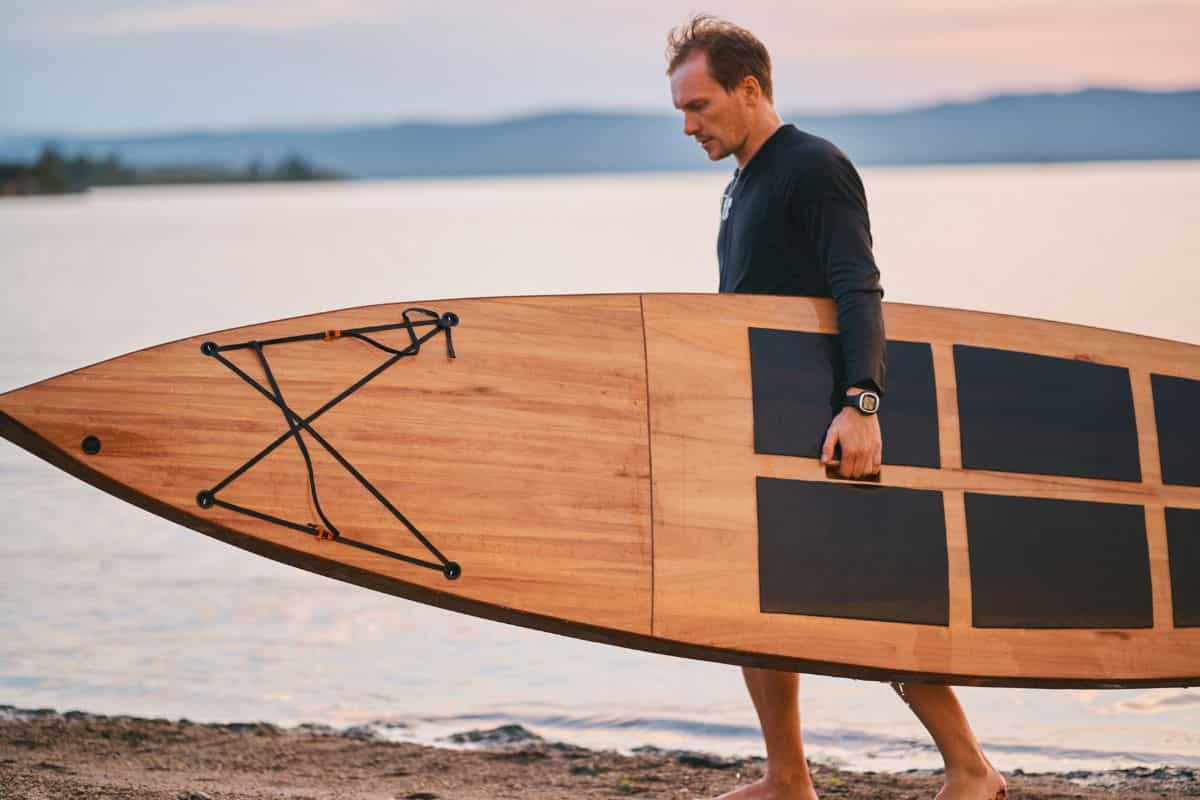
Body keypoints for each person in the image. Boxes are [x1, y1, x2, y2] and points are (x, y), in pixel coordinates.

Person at [665, 15, 1007, 800]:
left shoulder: (812, 166)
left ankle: (972, 769)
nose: (689, 126)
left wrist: (861, 404)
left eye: (701, 106)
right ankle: (787, 777)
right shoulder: (744, 182)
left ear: (750, 90)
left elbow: (858, 287)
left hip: (827, 424)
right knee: (756, 603)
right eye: (681, 111)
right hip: (772, 419)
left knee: (869, 595)